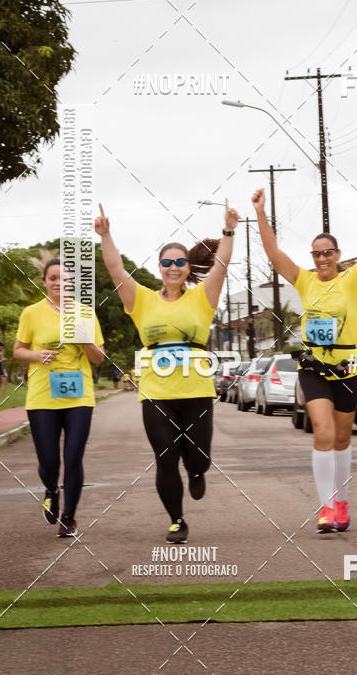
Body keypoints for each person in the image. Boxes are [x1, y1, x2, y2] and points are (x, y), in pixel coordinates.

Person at [253, 183, 357, 534]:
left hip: (349, 369)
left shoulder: (352, 281)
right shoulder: (305, 282)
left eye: (327, 253)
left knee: (342, 439)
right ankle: (325, 508)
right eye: (316, 254)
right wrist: (261, 212)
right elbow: (274, 253)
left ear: (337, 254)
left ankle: (342, 501)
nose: (321, 259)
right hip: (314, 369)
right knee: (321, 433)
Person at [95, 201, 239, 544]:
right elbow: (115, 268)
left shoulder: (203, 297)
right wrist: (106, 234)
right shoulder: (141, 299)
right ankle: (177, 520)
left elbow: (221, 264)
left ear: (188, 267)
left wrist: (229, 230)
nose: (173, 267)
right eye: (167, 262)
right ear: (159, 267)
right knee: (165, 456)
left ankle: (198, 471)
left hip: (197, 392)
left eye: (179, 262)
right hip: (156, 394)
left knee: (197, 456)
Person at [13, 259, 105, 537]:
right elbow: (19, 350)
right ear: (45, 282)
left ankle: (69, 517)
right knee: (49, 460)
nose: (57, 282)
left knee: (74, 456)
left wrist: (85, 337)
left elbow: (98, 357)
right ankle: (51, 490)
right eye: (52, 278)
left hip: (79, 395)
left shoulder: (86, 313)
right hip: (43, 397)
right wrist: (35, 356)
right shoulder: (31, 313)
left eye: (63, 278)